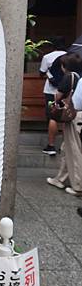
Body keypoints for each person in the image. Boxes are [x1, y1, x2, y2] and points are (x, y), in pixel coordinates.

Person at [47, 53, 82, 195]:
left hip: (74, 116)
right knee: (66, 148)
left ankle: (78, 186)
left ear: (64, 66)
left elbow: (60, 96)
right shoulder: (78, 77)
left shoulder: (69, 77)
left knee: (74, 149)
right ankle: (61, 179)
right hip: (77, 117)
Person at [39, 37, 67, 155]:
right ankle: (65, 146)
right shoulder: (70, 56)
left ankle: (51, 146)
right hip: (67, 91)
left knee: (53, 117)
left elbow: (41, 72)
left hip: (51, 91)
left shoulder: (47, 57)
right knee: (67, 117)